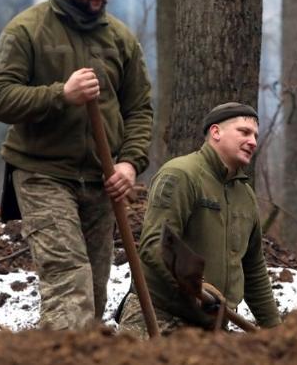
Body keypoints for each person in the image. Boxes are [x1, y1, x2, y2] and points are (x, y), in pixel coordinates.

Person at [0, 0, 153, 330]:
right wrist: (61, 94)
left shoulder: (120, 39)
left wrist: (130, 164)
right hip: (43, 173)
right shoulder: (26, 31)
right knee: (69, 281)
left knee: (93, 294)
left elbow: (140, 109)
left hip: (102, 179)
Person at [118, 102, 281, 337]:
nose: (253, 141)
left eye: (255, 135)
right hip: (158, 318)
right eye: (244, 132)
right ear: (216, 132)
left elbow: (253, 269)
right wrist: (196, 286)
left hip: (212, 327)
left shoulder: (246, 196)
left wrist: (276, 331)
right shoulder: (181, 174)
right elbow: (154, 245)